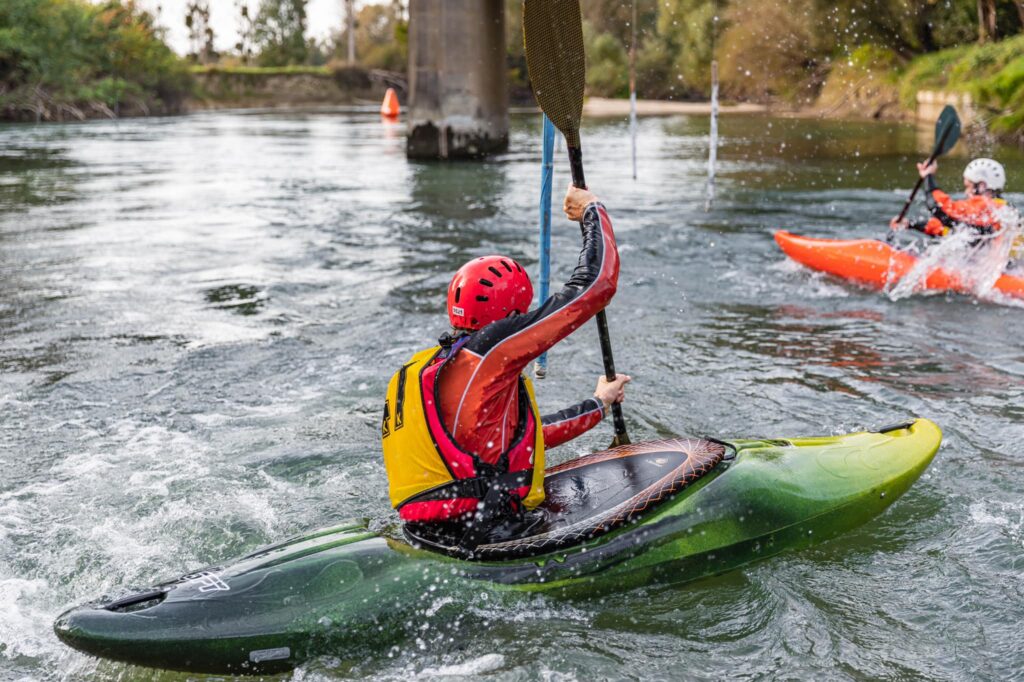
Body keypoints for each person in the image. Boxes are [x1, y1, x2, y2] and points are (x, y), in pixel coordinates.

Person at [381, 185, 630, 547]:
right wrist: (593, 210)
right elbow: (595, 286)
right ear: (512, 315)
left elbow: (525, 441)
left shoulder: (440, 367)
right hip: (491, 530)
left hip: (434, 533)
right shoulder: (492, 353)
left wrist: (598, 404)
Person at [889, 158, 1016, 240]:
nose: (966, 192)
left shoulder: (986, 206)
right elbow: (951, 229)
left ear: (982, 186)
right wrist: (910, 224)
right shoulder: (1000, 209)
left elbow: (938, 207)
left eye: (968, 186)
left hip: (999, 273)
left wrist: (928, 177)